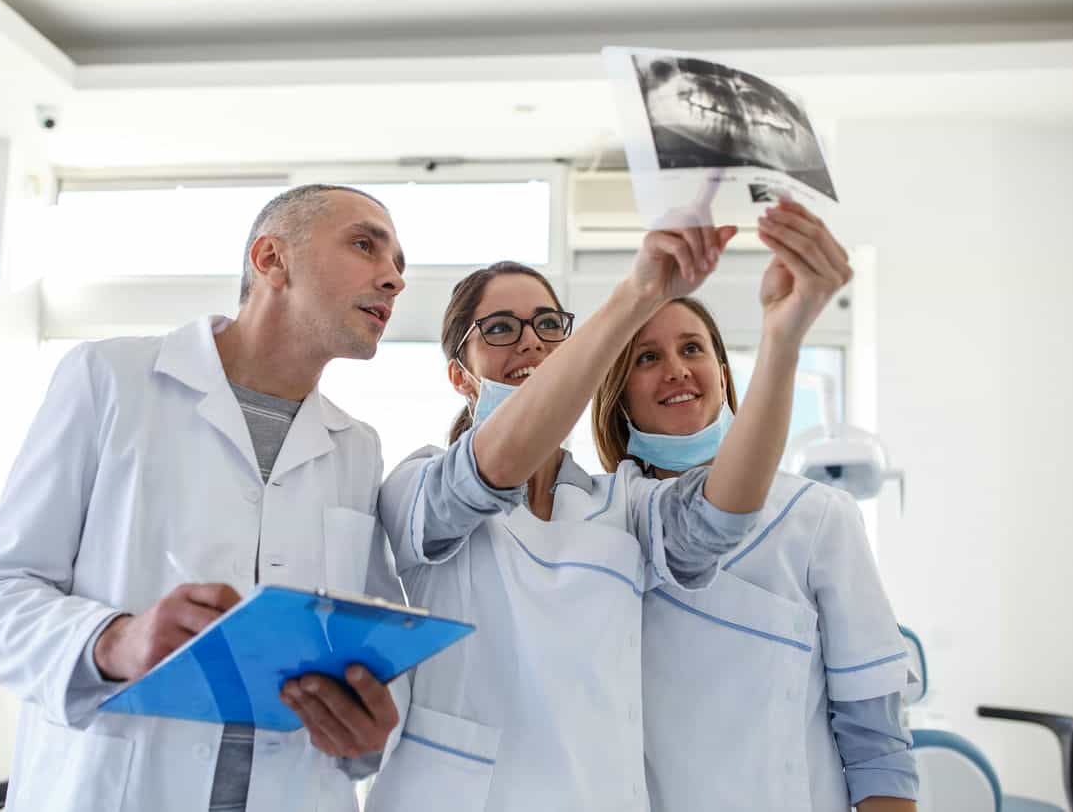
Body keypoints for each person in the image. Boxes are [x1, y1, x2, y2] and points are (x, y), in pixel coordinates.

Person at [0, 184, 411, 812]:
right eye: (366, 246)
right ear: (271, 259)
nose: (393, 281)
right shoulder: (109, 380)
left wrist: (364, 735)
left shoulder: (357, 447)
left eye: (399, 266)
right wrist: (115, 640)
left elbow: (364, 647)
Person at [366, 212, 831, 812]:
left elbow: (722, 514)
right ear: (460, 376)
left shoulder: (618, 503)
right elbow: (493, 469)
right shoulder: (417, 484)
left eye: (548, 326)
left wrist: (782, 342)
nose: (531, 341)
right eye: (501, 328)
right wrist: (638, 292)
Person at [591, 200, 917, 812]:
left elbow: (878, 742)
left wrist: (782, 338)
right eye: (646, 357)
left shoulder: (818, 517)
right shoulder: (600, 521)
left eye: (692, 348)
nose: (677, 370)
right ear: (616, 392)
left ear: (721, 370)